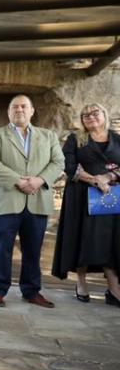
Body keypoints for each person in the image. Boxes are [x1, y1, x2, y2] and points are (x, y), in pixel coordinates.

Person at [0, 94, 65, 308]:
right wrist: (19, 182)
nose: (19, 110)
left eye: (23, 106)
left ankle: (31, 291)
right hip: (6, 200)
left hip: (37, 200)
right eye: (14, 107)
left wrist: (39, 180)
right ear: (9, 112)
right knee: (2, 248)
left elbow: (59, 162)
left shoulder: (48, 136)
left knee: (33, 249)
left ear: (32, 111)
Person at [52, 103, 120, 308]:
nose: (90, 117)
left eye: (94, 113)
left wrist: (108, 177)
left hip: (113, 197)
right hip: (81, 197)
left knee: (111, 242)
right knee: (83, 238)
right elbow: (69, 166)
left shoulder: (117, 139)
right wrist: (95, 180)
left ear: (104, 115)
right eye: (85, 115)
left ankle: (113, 287)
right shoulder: (75, 139)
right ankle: (81, 283)